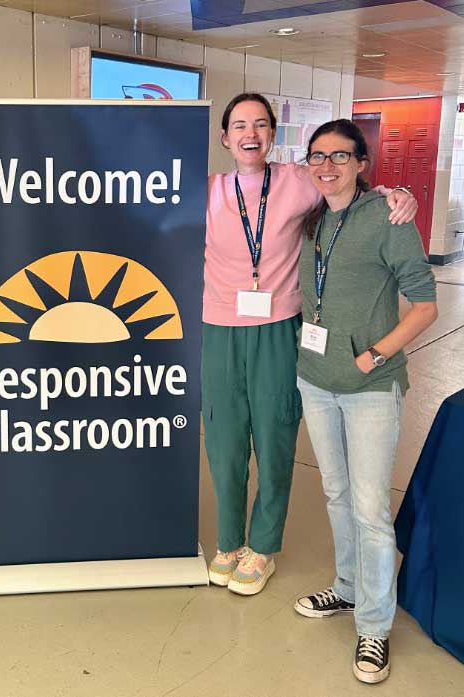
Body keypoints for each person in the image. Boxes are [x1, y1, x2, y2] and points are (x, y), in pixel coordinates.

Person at [203, 93, 416, 596]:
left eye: (260, 124)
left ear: (272, 134)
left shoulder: (300, 180)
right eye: (239, 125)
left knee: (276, 439)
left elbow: (350, 186)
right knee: (224, 442)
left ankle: (263, 545)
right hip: (217, 328)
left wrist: (397, 191)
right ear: (225, 137)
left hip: (279, 327)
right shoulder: (207, 190)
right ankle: (229, 540)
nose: (249, 133)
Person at [292, 119, 437, 683]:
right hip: (315, 379)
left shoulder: (388, 216)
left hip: (370, 387)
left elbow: (425, 306)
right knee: (336, 493)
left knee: (372, 509)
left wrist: (374, 356)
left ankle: (374, 628)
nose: (326, 167)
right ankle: (349, 590)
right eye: (317, 157)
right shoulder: (313, 219)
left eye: (339, 156)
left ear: (361, 163)